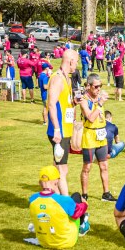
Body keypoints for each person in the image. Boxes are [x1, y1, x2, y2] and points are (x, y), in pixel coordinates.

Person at [28, 166, 90, 249]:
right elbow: (78, 212)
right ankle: (83, 226)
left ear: (40, 182)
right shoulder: (64, 200)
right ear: (57, 181)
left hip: (44, 241)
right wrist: (85, 203)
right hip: (66, 241)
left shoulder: (33, 199)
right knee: (76, 196)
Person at [46, 49, 79, 196]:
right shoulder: (57, 78)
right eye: (76, 61)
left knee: (58, 167)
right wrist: (57, 130)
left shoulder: (68, 78)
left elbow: (64, 102)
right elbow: (52, 104)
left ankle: (55, 197)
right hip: (59, 131)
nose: (76, 65)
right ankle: (65, 203)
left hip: (66, 129)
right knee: (62, 169)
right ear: (70, 61)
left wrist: (74, 102)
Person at [79, 73, 115, 202]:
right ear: (88, 86)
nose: (99, 89)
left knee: (104, 166)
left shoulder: (98, 96)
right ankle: (84, 194)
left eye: (100, 86)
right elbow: (90, 117)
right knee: (87, 167)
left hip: (101, 135)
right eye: (96, 86)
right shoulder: (83, 100)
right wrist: (99, 104)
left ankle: (106, 193)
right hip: (89, 136)